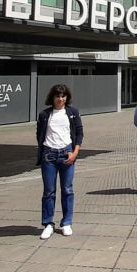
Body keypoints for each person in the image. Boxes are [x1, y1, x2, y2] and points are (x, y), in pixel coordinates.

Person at [36, 84, 83, 239]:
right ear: (53, 97)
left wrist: (75, 153)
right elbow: (40, 134)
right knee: (49, 192)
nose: (60, 99)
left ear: (67, 98)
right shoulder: (44, 114)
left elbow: (79, 133)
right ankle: (48, 224)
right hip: (49, 154)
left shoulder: (72, 113)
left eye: (63, 96)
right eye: (58, 96)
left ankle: (67, 223)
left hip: (67, 153)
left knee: (67, 189)